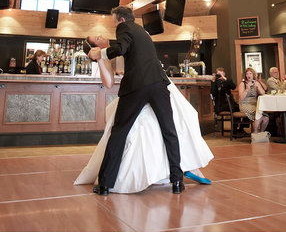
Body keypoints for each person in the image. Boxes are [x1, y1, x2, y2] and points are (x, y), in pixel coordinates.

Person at [75, 38, 213, 193]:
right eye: (97, 38)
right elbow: (108, 83)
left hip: (153, 84)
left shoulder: (121, 42)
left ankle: (186, 166)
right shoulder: (110, 51)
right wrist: (100, 59)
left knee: (183, 118)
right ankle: (160, 173)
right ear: (95, 48)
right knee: (149, 128)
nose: (101, 37)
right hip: (139, 90)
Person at [84, 6, 184, 195]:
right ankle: (177, 181)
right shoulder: (143, 32)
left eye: (114, 21)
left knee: (119, 131)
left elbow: (121, 49)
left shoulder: (124, 28)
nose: (113, 25)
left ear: (121, 20)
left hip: (137, 86)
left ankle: (105, 184)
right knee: (169, 130)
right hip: (158, 83)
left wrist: (100, 54)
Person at [238, 67, 269, 133]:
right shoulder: (242, 84)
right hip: (245, 104)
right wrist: (247, 89)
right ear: (245, 75)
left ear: (253, 75)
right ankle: (255, 133)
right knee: (259, 114)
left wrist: (257, 85)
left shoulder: (256, 83)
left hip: (255, 105)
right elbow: (241, 98)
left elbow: (263, 92)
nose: (248, 75)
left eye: (250, 73)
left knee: (266, 118)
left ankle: (260, 134)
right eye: (247, 74)